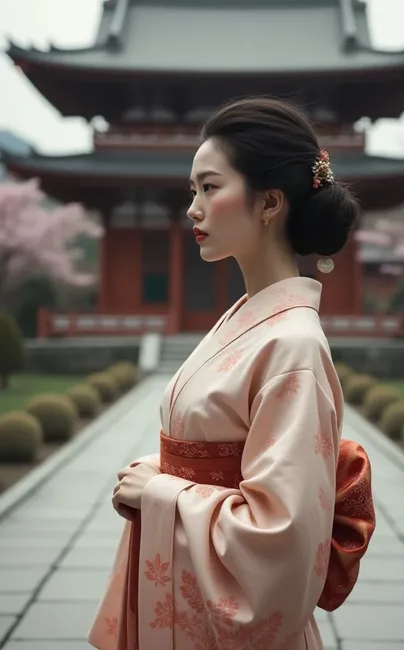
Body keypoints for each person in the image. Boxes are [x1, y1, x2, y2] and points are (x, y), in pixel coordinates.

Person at [88, 97, 375, 650]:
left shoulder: (291, 344)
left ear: (269, 202)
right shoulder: (246, 317)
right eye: (191, 191)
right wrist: (163, 466)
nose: (192, 208)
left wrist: (163, 492)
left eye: (210, 187)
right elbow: (221, 450)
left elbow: (283, 537)